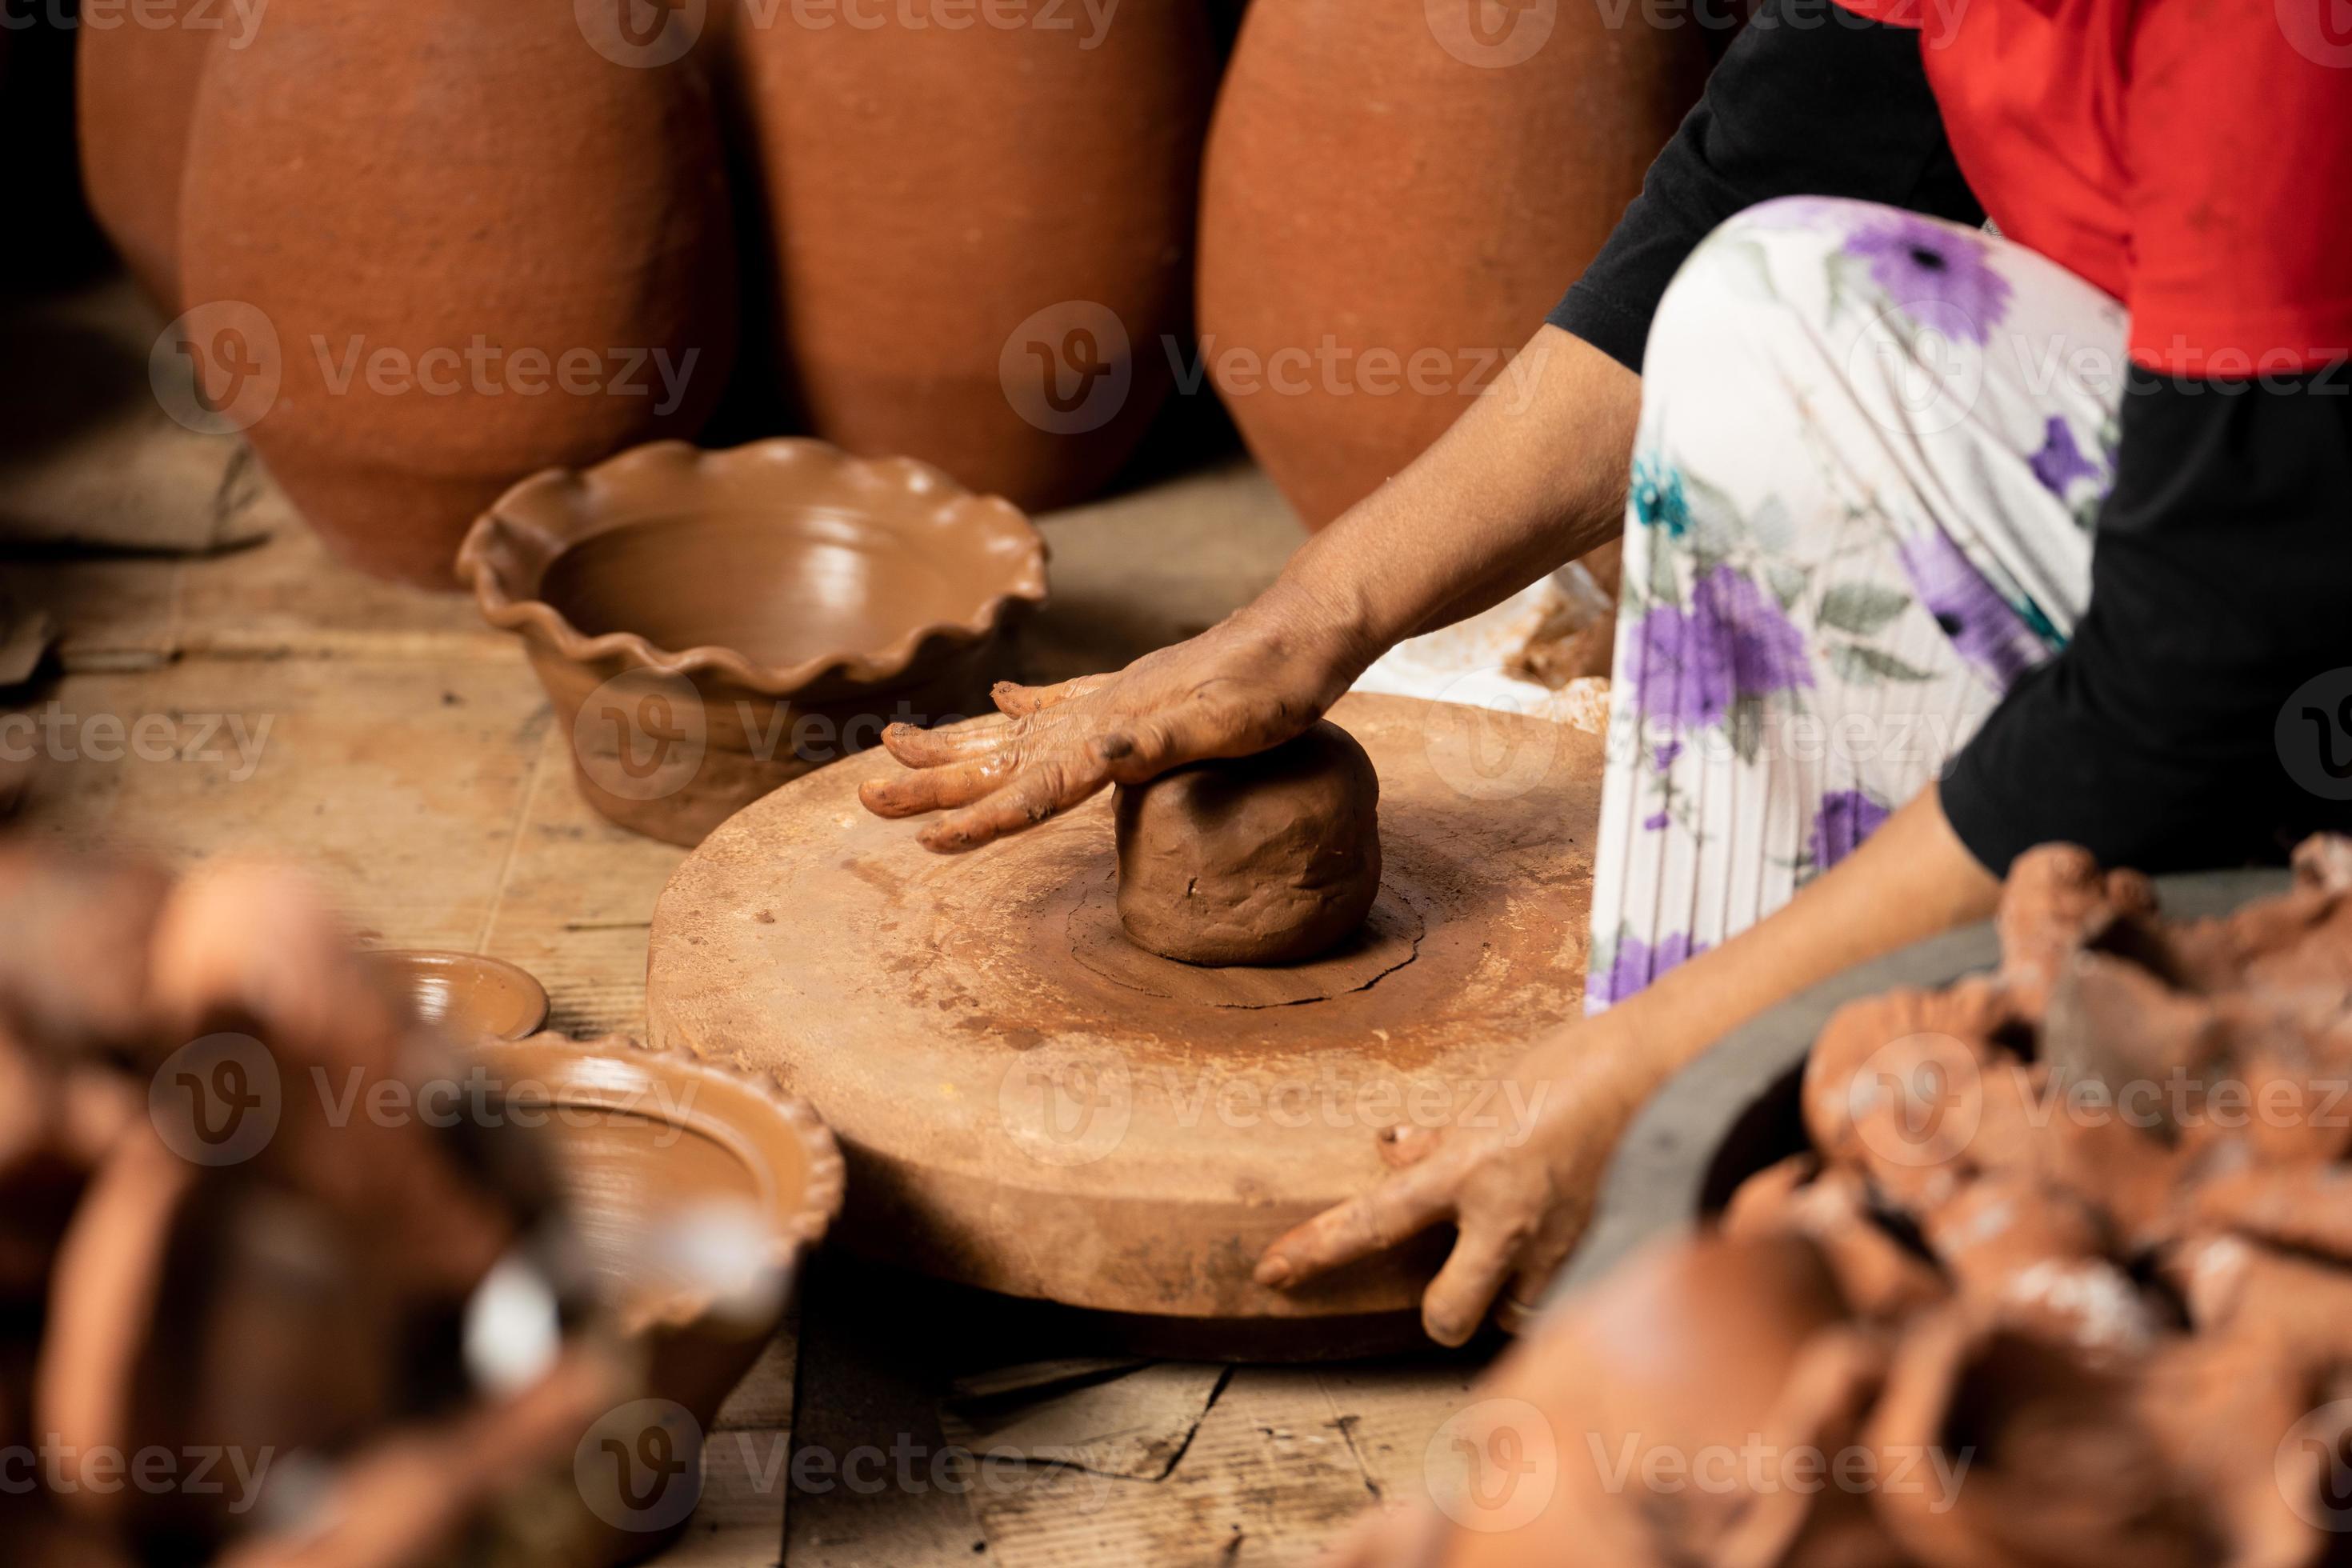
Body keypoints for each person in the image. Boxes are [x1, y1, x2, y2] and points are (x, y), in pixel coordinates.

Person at [862, 0, 2352, 1347]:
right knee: (1763, 286)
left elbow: (2204, 661)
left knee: (1797, 310)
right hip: (2232, 498)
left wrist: (1653, 1063)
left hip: (2291, 654)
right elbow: (1764, 174)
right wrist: (1301, 621)